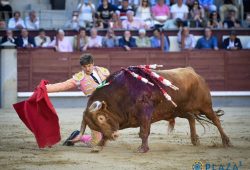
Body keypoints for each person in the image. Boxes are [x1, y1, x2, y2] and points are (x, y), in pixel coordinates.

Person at [45, 54, 110, 147]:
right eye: (84, 67)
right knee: (95, 143)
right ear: (81, 67)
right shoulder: (80, 78)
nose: (87, 69)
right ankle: (78, 136)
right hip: (94, 109)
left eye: (89, 66)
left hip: (109, 105)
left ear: (93, 64)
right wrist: (45, 88)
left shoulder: (103, 71)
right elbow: (64, 85)